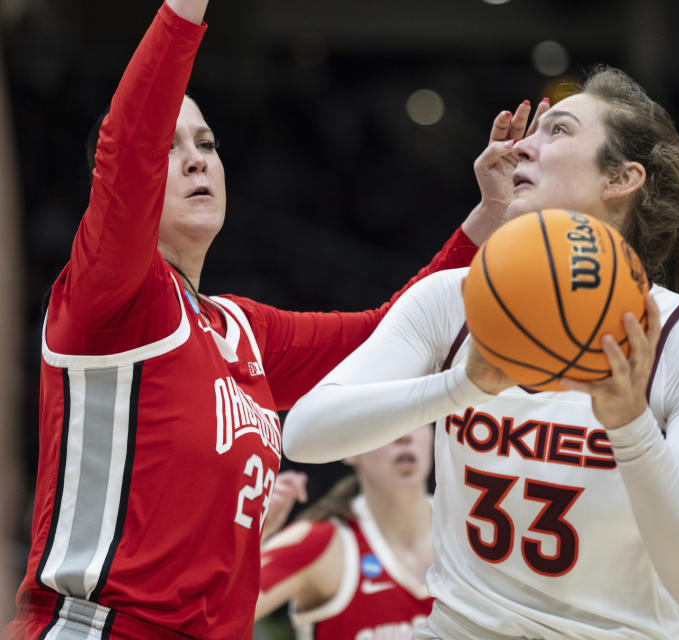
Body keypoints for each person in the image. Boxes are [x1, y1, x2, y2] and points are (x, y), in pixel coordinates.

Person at [2, 1, 540, 638]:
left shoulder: (243, 330)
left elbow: (393, 333)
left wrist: (488, 215)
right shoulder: (108, 300)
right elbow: (130, 137)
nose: (196, 159)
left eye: (206, 143)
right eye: (170, 149)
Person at [282, 66, 679, 639]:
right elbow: (302, 433)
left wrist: (629, 427)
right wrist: (461, 386)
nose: (520, 145)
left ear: (621, 178)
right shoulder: (451, 302)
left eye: (557, 131)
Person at [256, 425, 435, 640]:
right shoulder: (320, 542)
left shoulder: (468, 532)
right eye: (388, 420)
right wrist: (256, 536)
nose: (405, 436)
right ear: (351, 448)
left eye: (417, 420)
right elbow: (214, 612)